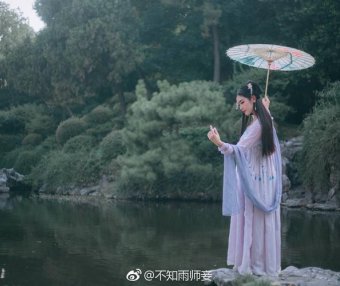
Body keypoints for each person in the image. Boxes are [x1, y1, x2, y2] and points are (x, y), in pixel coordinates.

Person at [207, 81, 282, 276]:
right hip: (265, 180)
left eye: (242, 102)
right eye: (238, 103)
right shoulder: (265, 121)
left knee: (254, 222)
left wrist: (219, 142)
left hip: (253, 180)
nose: (240, 107)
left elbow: (238, 150)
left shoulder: (258, 126)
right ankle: (263, 264)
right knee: (261, 222)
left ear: (253, 99)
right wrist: (265, 109)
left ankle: (254, 265)